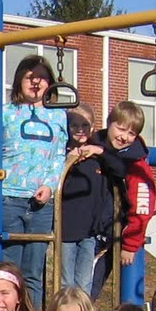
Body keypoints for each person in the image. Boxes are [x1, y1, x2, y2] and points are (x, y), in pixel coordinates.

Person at [0, 56, 67, 311]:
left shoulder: (59, 115)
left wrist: (49, 185)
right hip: (8, 197)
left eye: (41, 77)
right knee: (9, 270)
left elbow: (59, 155)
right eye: (30, 77)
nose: (36, 82)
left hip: (41, 203)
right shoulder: (6, 112)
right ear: (19, 80)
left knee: (33, 271)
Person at [88, 103, 155, 298]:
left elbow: (143, 206)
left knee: (87, 291)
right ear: (109, 123)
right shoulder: (91, 145)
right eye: (121, 128)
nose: (124, 137)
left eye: (132, 133)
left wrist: (130, 244)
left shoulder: (136, 165)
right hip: (84, 229)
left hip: (110, 236)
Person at [57, 107, 104, 296]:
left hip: (89, 230)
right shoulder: (61, 153)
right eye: (74, 125)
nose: (80, 130)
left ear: (92, 127)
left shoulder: (98, 156)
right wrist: (67, 161)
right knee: (65, 282)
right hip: (66, 228)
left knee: (84, 282)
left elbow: (118, 163)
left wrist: (98, 150)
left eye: (85, 125)